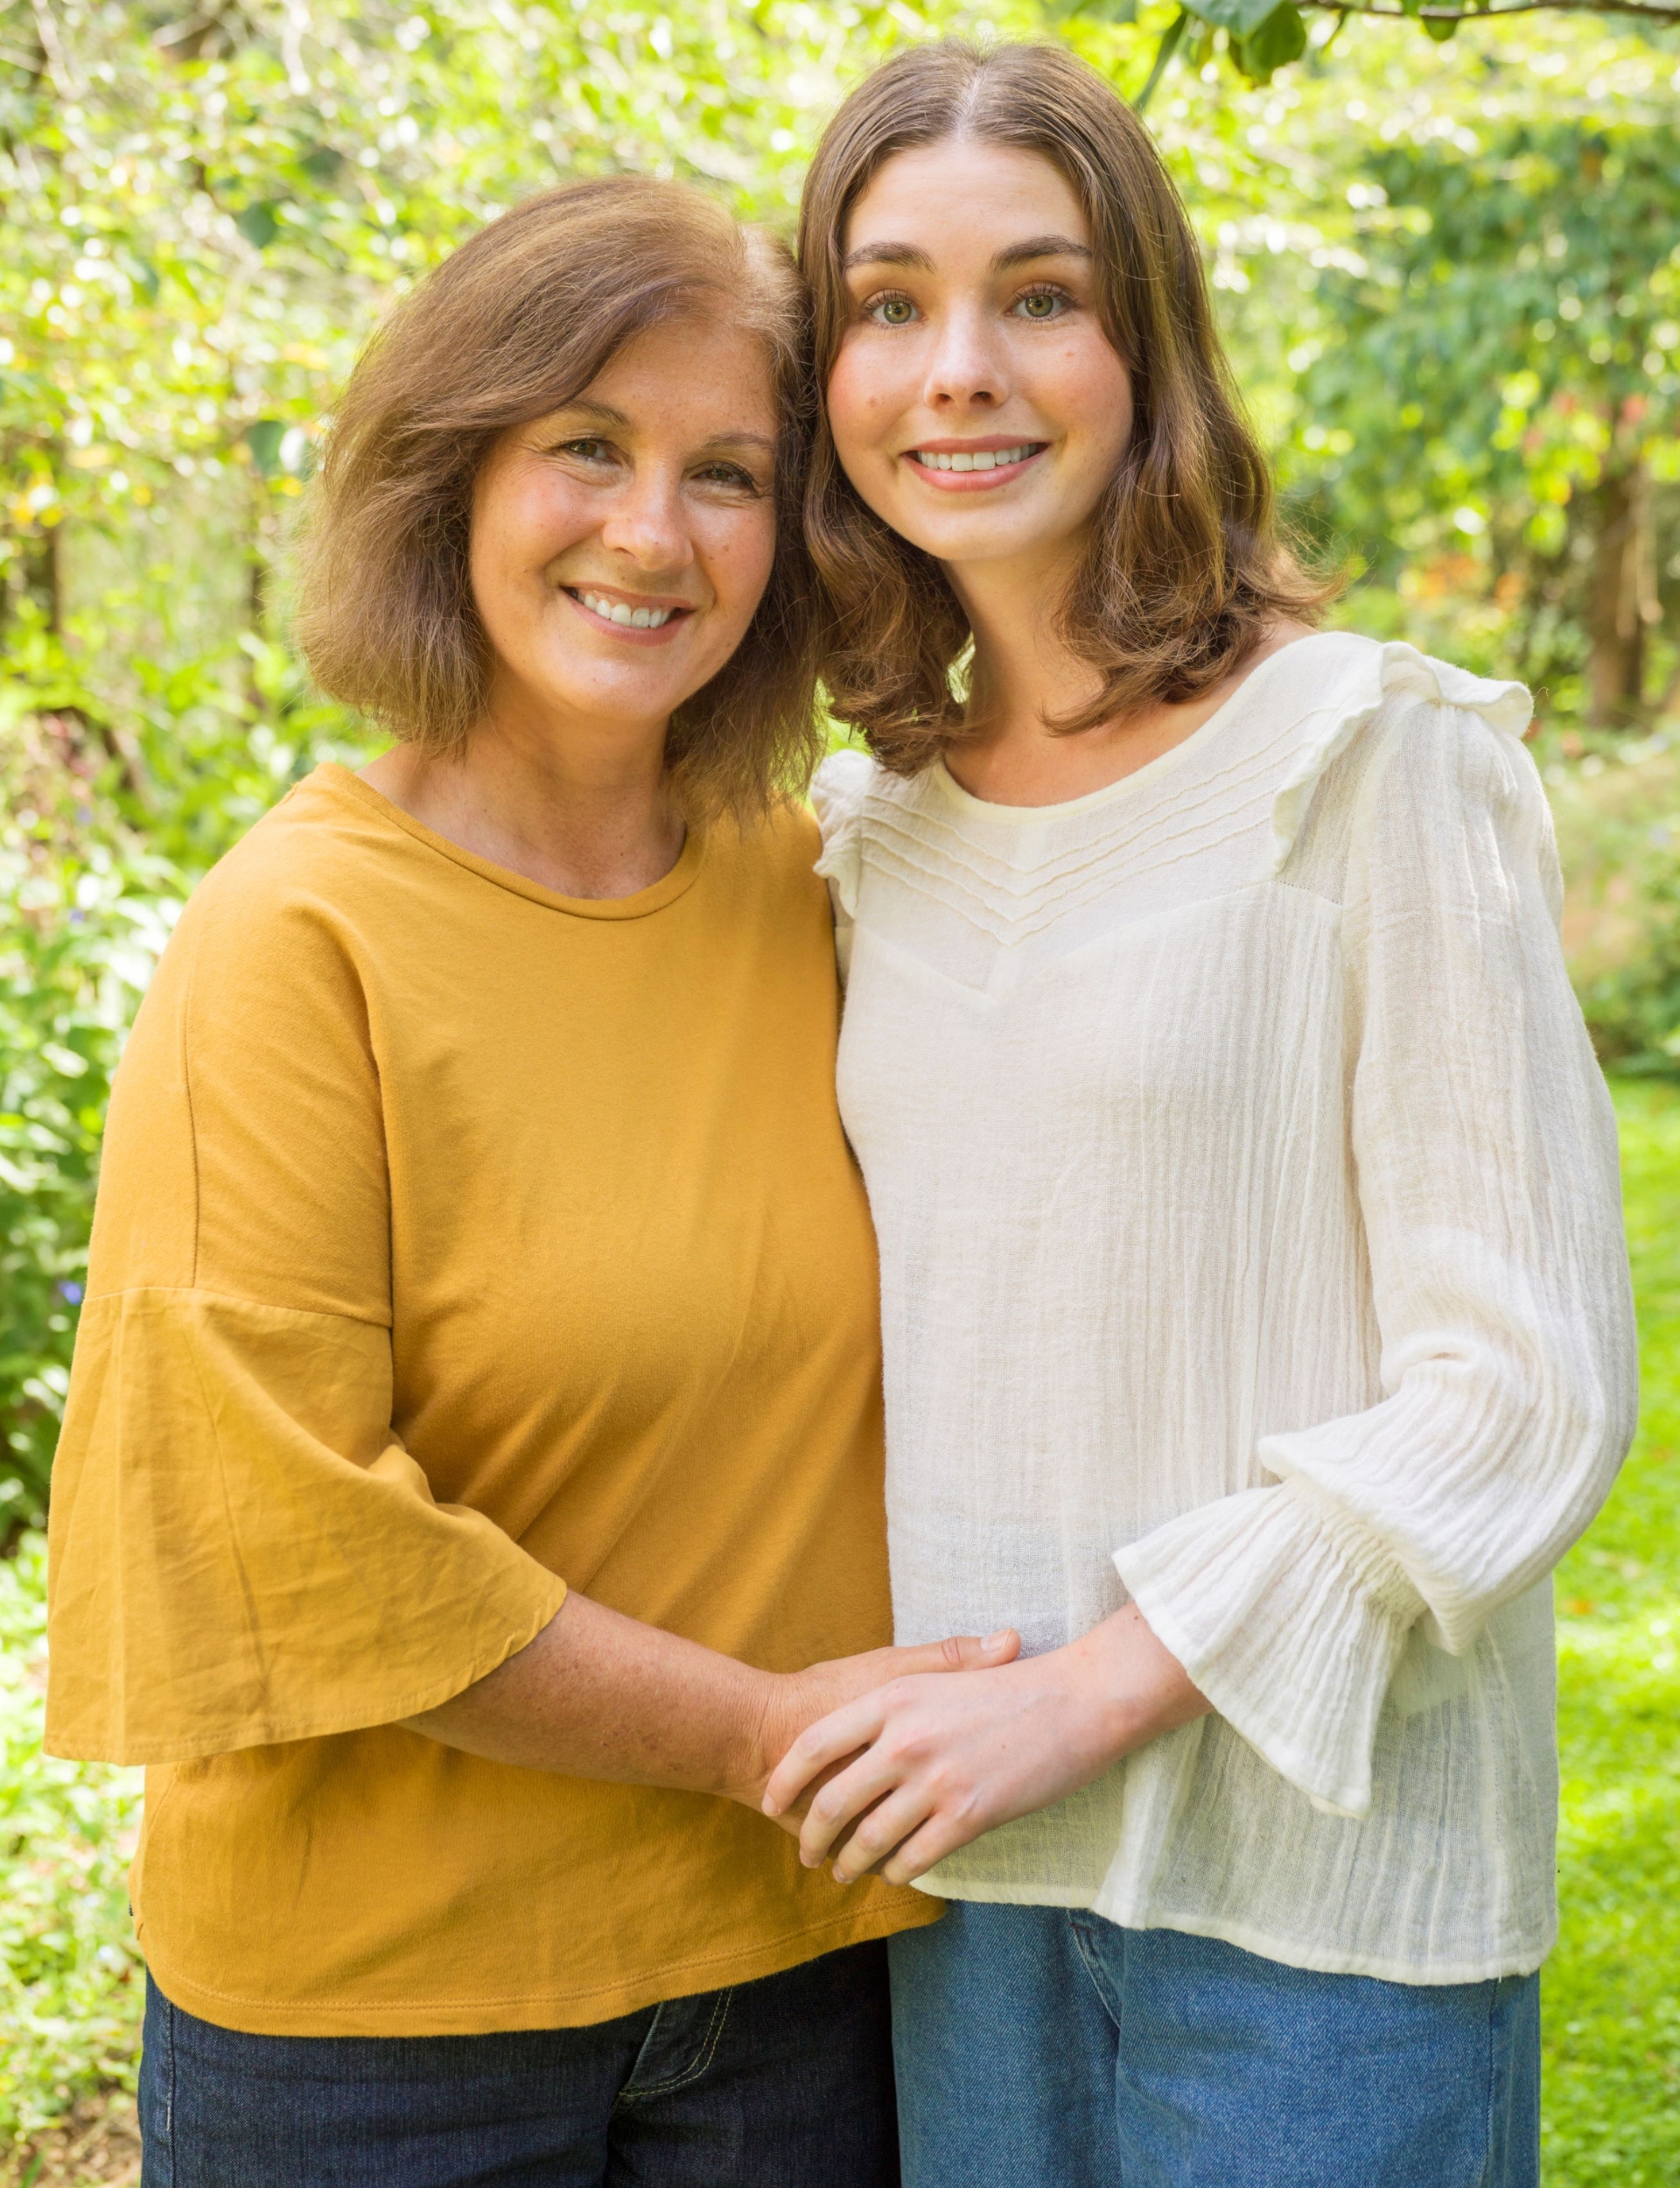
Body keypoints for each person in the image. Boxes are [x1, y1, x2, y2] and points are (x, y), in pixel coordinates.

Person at [44, 174, 1018, 2188]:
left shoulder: (816, 884)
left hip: (792, 1971)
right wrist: (774, 1733)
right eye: (587, 444)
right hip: (384, 2031)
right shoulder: (297, 939)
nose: (653, 533)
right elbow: (301, 1545)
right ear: (453, 475)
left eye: (729, 471)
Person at [761, 42, 1637, 2188]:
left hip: (1318, 1892)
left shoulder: (1376, 758)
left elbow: (1520, 1387)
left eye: (1038, 295)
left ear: (1147, 338)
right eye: (887, 304)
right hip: (967, 1877)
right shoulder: (863, 840)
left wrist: (1089, 1686)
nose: (957, 369)